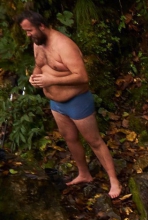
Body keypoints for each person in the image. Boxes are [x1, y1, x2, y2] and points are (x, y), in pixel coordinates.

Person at [18, 11, 121, 198]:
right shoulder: (38, 43)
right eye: (25, 31)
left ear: (41, 26)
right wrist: (34, 76)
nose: (28, 35)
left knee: (94, 141)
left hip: (77, 101)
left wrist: (51, 80)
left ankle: (114, 181)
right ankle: (84, 174)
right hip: (56, 103)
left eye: (30, 30)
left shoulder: (64, 45)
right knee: (69, 138)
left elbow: (82, 77)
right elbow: (39, 65)